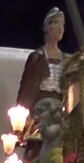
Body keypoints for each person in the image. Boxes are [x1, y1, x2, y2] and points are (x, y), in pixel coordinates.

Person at [16, 8, 67, 136]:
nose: (60, 28)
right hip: (40, 103)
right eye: (56, 23)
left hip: (59, 104)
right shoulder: (37, 56)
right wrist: (22, 114)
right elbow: (26, 87)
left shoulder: (66, 59)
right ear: (47, 27)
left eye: (62, 24)